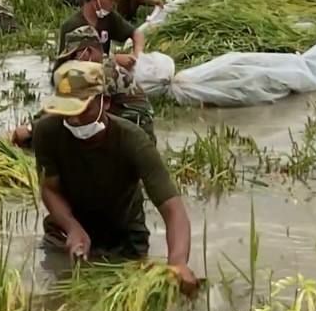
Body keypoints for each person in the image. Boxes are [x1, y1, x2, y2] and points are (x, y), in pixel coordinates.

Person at [31, 60, 198, 293]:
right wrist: (72, 228)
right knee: (60, 297)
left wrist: (178, 263)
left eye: (82, 110)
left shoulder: (133, 141)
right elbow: (50, 188)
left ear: (105, 103)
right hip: (65, 236)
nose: (75, 120)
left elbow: (173, 210)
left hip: (123, 241)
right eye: (67, 112)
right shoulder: (46, 132)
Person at [13, 24, 156, 146]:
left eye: (74, 56)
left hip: (137, 133)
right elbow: (63, 101)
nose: (72, 61)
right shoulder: (99, 66)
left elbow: (70, 108)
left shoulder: (103, 71)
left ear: (87, 52)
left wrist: (31, 128)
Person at [58, 0, 146, 62]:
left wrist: (137, 55)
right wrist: (114, 60)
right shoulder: (72, 26)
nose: (114, 3)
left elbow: (137, 34)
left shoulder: (109, 17)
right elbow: (69, 65)